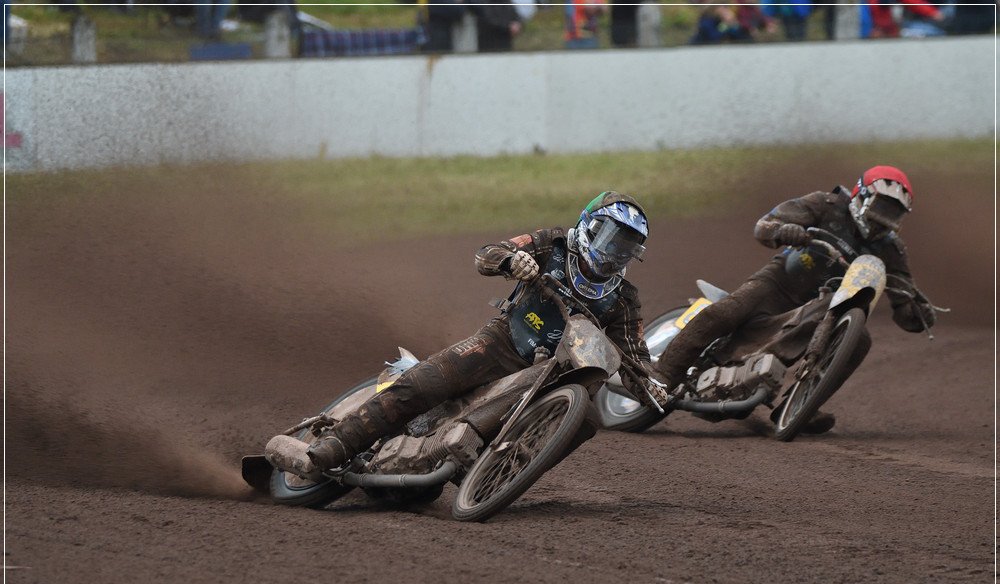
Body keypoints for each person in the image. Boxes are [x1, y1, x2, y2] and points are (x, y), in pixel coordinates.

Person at [307, 192, 668, 470]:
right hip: (502, 343)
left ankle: (502, 474)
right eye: (609, 238)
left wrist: (651, 386)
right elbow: (487, 253)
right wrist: (512, 260)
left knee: (583, 421)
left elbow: (635, 358)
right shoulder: (552, 244)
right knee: (426, 382)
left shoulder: (623, 300)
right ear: (588, 225)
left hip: (553, 378)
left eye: (625, 247)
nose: (613, 253)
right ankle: (339, 442)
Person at [653, 166, 936, 434]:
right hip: (777, 285)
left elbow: (904, 306)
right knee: (727, 311)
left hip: (821, 310)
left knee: (860, 340)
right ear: (862, 195)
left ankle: (800, 403)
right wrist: (783, 230)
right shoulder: (825, 204)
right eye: (881, 207)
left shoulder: (891, 249)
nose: (884, 218)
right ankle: (663, 374)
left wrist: (917, 311)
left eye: (894, 212)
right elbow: (764, 226)